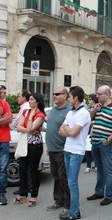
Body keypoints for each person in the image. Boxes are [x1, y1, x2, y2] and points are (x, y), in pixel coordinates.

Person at [59, 86, 91, 220]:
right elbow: (60, 130)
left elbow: (72, 132)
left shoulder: (83, 113)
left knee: (72, 183)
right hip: (67, 149)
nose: (67, 99)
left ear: (76, 98)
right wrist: (68, 130)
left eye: (69, 97)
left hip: (76, 152)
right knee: (69, 181)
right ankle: (74, 210)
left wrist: (68, 130)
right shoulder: (70, 112)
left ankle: (73, 213)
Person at [87, 85, 112, 206]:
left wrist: (109, 139)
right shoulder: (98, 108)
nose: (97, 96)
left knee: (108, 170)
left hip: (106, 144)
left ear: (107, 95)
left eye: (99, 94)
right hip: (95, 143)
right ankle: (99, 191)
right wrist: (94, 110)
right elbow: (88, 119)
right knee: (99, 169)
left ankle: (109, 195)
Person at [14, 93, 46, 207]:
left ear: (37, 101)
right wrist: (26, 128)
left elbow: (31, 129)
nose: (29, 101)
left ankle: (33, 196)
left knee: (33, 171)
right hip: (24, 144)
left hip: (35, 145)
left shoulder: (40, 114)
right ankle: (22, 194)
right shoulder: (25, 111)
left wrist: (31, 118)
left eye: (32, 99)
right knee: (22, 170)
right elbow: (18, 126)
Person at [45, 87, 71, 218]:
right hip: (53, 150)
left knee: (63, 177)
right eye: (53, 93)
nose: (54, 96)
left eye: (57, 94)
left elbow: (70, 131)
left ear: (65, 96)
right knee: (56, 176)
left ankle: (68, 205)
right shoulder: (54, 109)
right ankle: (58, 200)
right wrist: (49, 147)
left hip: (63, 150)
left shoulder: (69, 110)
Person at [0, 94, 12, 205]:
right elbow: (5, 119)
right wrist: (2, 118)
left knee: (2, 169)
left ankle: (1, 194)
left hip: (3, 140)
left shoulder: (5, 104)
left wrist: (5, 118)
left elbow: (9, 118)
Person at [84, 94, 98, 173]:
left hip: (94, 130)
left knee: (94, 149)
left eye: (90, 99)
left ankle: (96, 165)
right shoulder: (88, 108)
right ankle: (88, 166)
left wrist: (94, 122)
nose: (88, 101)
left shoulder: (97, 107)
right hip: (87, 130)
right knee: (87, 149)